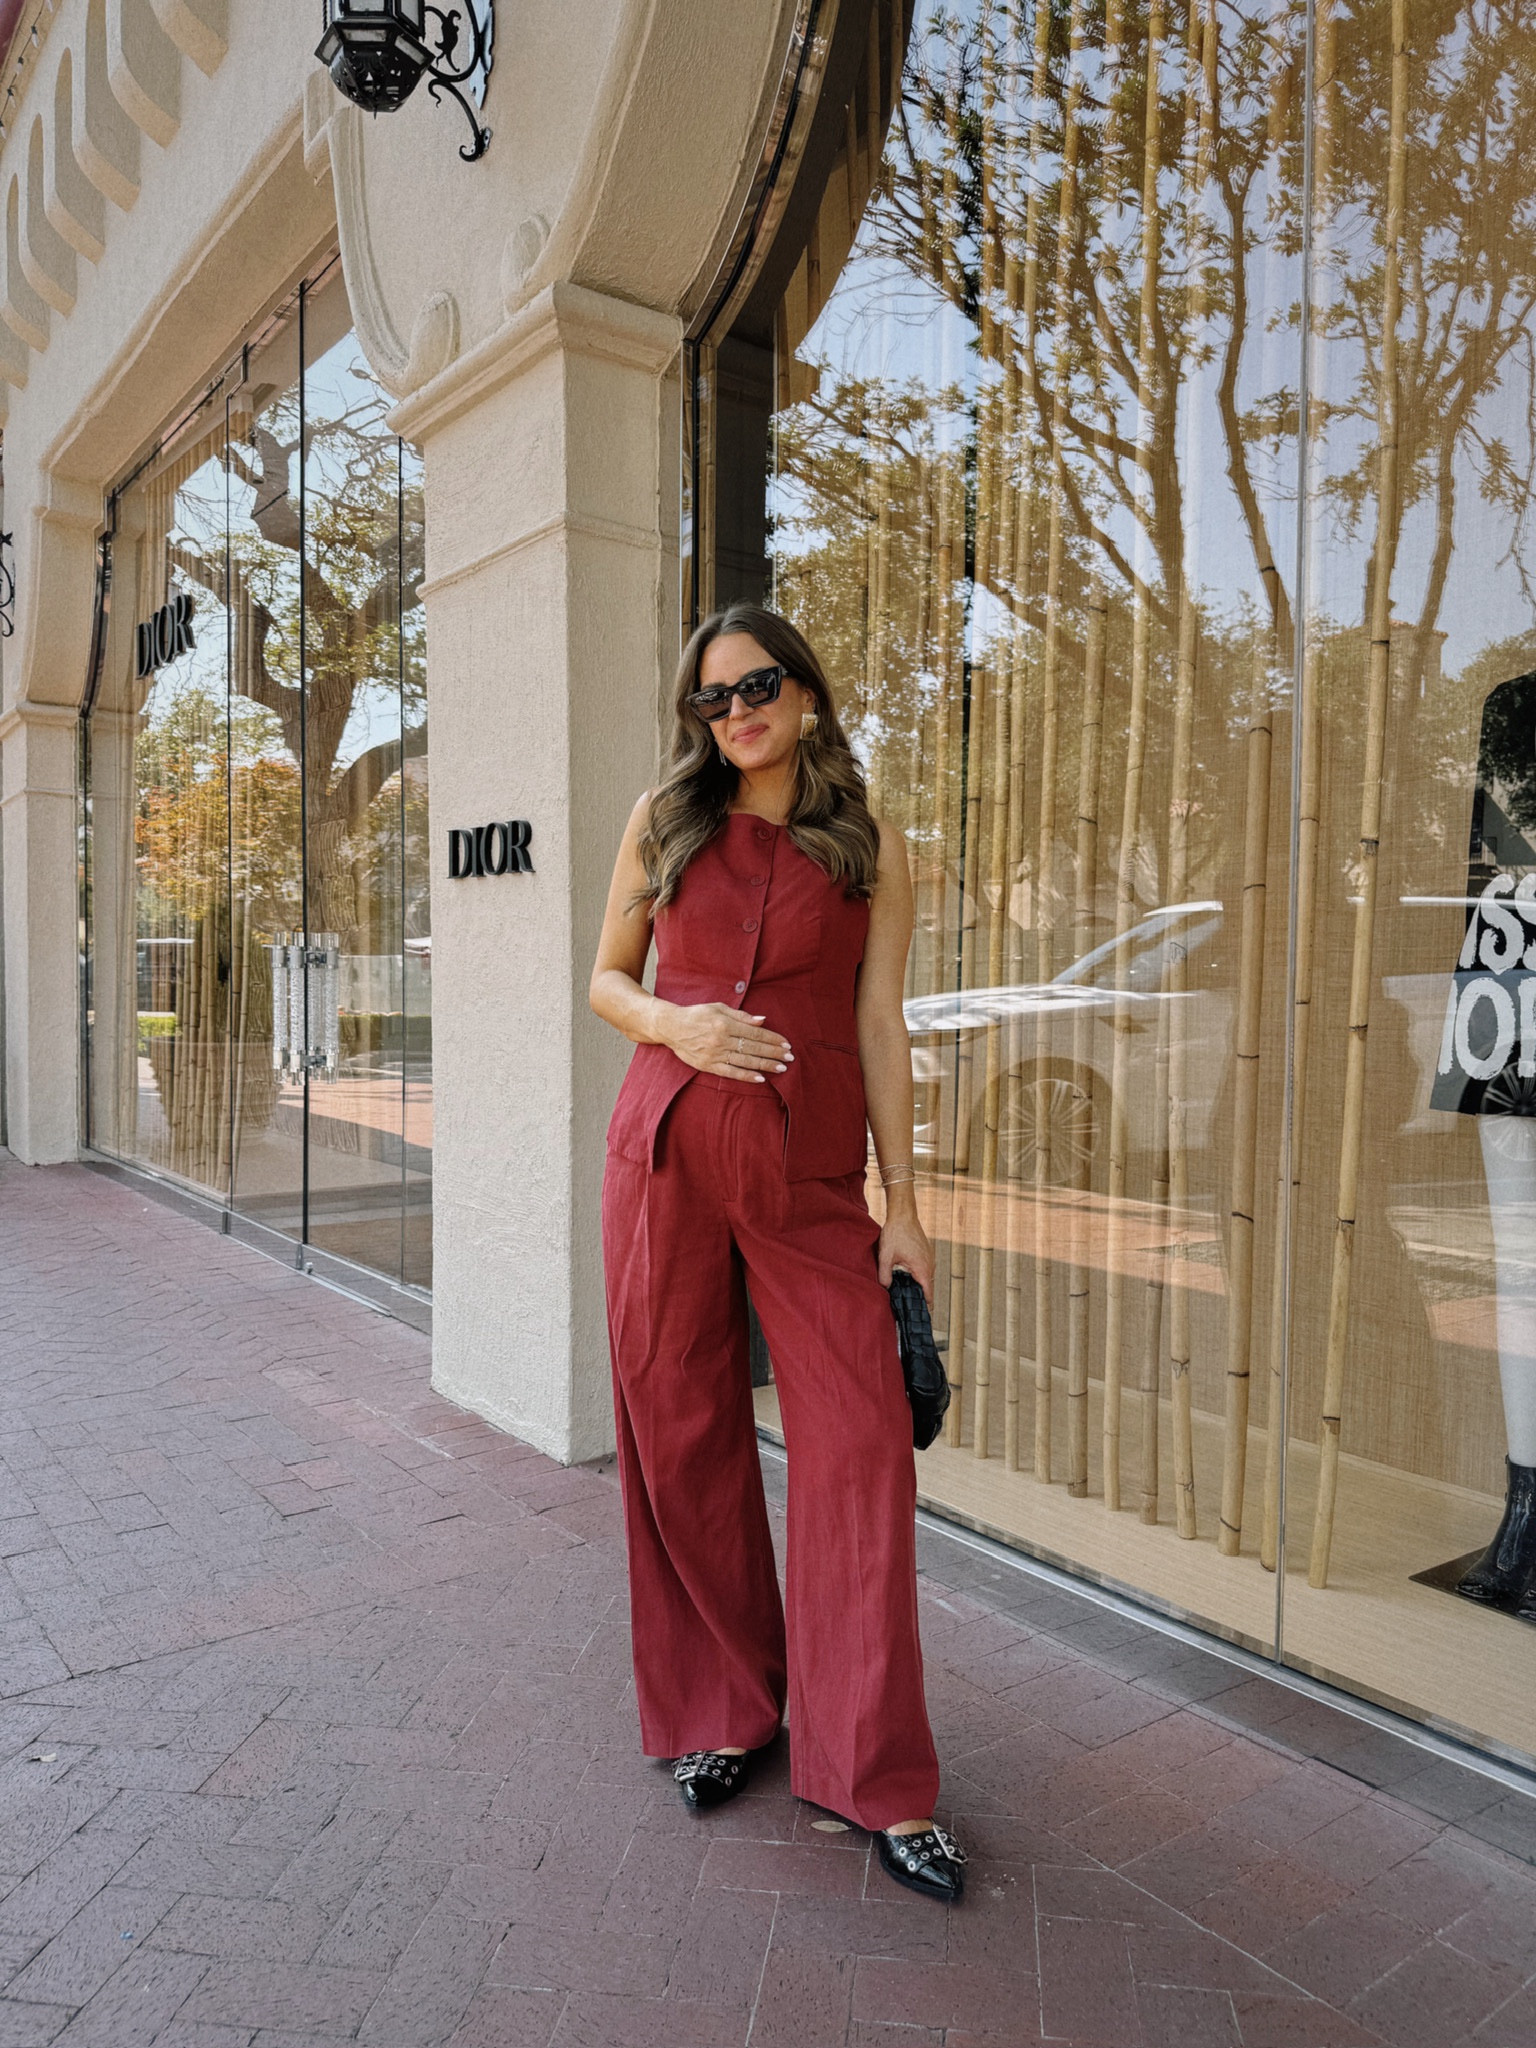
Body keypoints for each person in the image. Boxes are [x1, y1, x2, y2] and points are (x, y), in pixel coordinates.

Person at [588, 603, 966, 1902]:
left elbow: (881, 1024)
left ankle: (876, 1775)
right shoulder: (667, 818)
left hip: (811, 1182)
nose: (734, 711)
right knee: (679, 1425)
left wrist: (905, 1206)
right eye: (710, 698)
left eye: (756, 686)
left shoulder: (868, 847)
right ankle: (722, 1708)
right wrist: (677, 1029)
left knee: (860, 1447)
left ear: (806, 692)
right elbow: (605, 979)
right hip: (668, 1157)